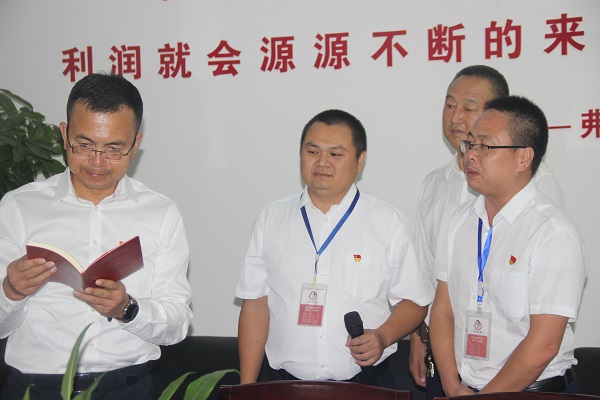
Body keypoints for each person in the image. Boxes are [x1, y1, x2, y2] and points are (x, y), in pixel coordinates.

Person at [0, 73, 192, 399]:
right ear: (64, 134)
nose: (97, 162)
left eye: (114, 149)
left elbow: (177, 325)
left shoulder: (160, 212)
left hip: (127, 388)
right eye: (85, 145)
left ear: (135, 145)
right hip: (36, 388)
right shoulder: (19, 206)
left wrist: (128, 309)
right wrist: (11, 290)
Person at [236, 109, 433, 388]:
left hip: (365, 383)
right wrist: (246, 388)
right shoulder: (271, 219)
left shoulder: (387, 222)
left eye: (335, 154)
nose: (322, 162)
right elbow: (255, 305)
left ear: (360, 160)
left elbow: (415, 301)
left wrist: (383, 336)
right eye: (313, 151)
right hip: (284, 384)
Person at [410, 65, 564, 400]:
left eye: (469, 107)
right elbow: (427, 272)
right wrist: (419, 337)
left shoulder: (538, 186)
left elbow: (543, 325)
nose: (456, 117)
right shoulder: (434, 184)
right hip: (449, 364)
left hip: (515, 378)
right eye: (450, 105)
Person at [429, 95, 587, 395]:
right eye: (470, 144)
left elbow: (543, 344)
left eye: (485, 146)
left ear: (524, 158)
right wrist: (451, 385)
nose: (471, 155)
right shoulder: (461, 221)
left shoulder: (553, 233)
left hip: (535, 392)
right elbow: (442, 311)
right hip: (464, 388)